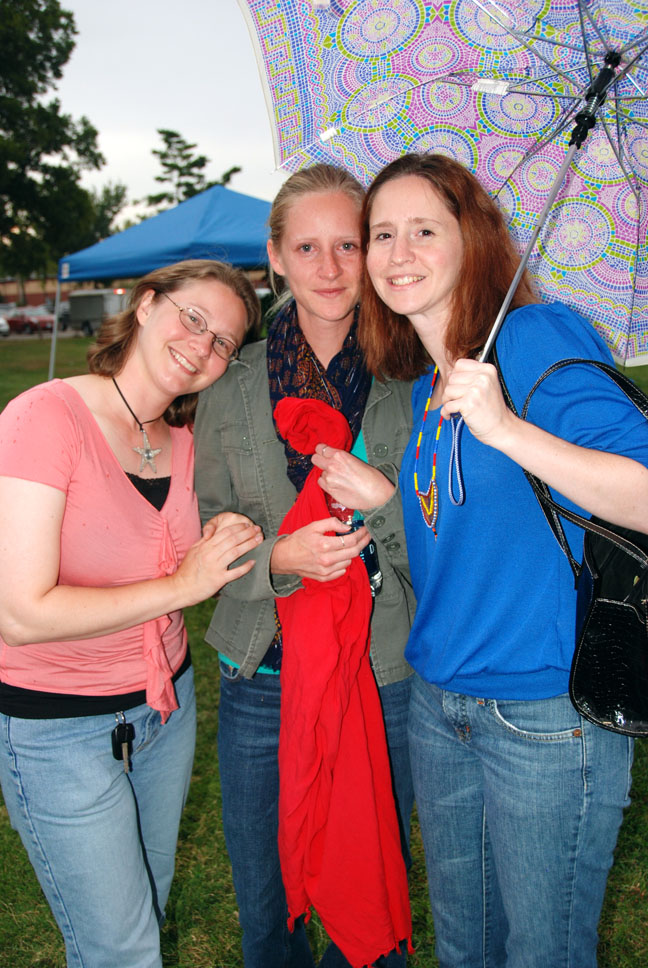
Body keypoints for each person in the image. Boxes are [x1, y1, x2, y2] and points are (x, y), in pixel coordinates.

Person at [326, 151, 648, 968]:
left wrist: (509, 430)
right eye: (382, 234)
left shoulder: (534, 337)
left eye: (424, 230)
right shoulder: (427, 388)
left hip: (542, 717)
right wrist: (391, 497)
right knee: (465, 946)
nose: (398, 254)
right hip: (441, 706)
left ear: (472, 241)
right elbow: (481, 529)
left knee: (542, 953)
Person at [0, 259, 264, 968]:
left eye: (222, 344)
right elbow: (19, 613)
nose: (202, 347)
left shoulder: (185, 445)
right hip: (57, 732)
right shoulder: (43, 418)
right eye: (193, 319)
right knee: (124, 950)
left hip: (162, 717)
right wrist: (184, 584)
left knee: (147, 903)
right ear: (146, 305)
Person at [193, 163, 415, 968]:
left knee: (373, 898)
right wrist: (277, 557)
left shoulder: (414, 376)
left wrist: (387, 502)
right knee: (270, 905)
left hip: (380, 668)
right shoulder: (231, 380)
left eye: (349, 245)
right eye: (308, 247)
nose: (329, 268)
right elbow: (201, 526)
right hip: (262, 665)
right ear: (276, 256)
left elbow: (445, 527)